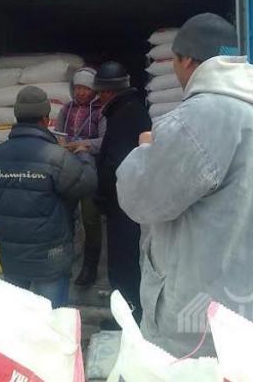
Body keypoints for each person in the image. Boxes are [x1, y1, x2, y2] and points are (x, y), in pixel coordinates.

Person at [117, 13, 253, 357]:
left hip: (197, 327)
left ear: (185, 60)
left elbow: (139, 198)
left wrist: (145, 151)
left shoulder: (197, 120)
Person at [0, 85, 97, 308]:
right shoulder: (57, 157)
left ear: (17, 117)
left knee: (19, 320)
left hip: (13, 258)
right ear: (46, 119)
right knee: (51, 322)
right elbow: (88, 184)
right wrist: (83, 154)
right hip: (51, 260)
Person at [94, 61, 151, 320]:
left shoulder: (125, 114)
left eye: (100, 92)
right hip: (128, 202)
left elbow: (116, 165)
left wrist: (103, 196)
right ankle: (129, 315)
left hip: (124, 204)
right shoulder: (129, 110)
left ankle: (129, 319)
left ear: (108, 91)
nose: (98, 97)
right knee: (126, 261)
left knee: (123, 265)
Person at [54, 67, 106, 286]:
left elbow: (105, 140)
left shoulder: (101, 111)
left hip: (90, 172)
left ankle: (89, 267)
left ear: (94, 89)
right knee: (64, 215)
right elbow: (58, 133)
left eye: (85, 88)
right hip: (67, 168)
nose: (81, 92)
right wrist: (61, 143)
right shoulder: (66, 109)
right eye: (77, 88)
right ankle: (63, 261)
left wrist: (84, 145)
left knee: (90, 217)